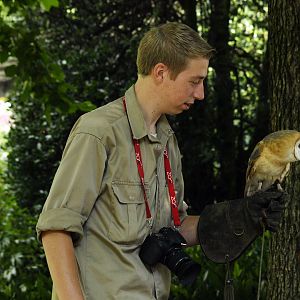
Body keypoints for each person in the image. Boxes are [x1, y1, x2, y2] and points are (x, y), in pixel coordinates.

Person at [36, 22, 287, 300]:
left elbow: (173, 228)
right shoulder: (97, 133)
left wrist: (241, 215)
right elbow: (56, 230)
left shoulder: (167, 139)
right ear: (160, 72)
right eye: (194, 81)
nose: (201, 93)